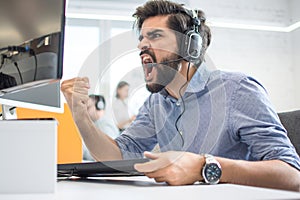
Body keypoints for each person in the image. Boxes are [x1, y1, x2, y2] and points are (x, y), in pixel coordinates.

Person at [61, 0, 300, 191]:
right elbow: (115, 156)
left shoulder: (238, 90)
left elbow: (291, 173)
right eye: (141, 38)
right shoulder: (156, 102)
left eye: (154, 36)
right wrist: (81, 116)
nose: (142, 46)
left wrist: (203, 166)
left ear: (190, 47)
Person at [83, 94, 120, 161]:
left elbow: (106, 153)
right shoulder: (96, 124)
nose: (85, 111)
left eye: (87, 108)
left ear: (99, 107)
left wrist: (82, 149)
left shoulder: (105, 125)